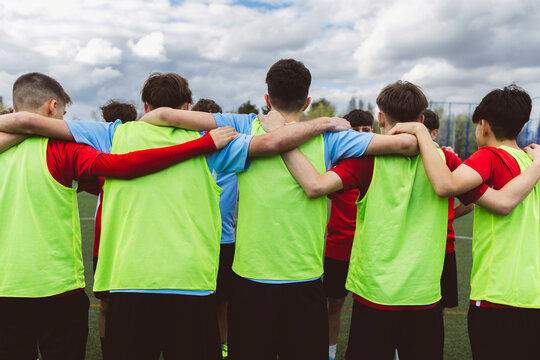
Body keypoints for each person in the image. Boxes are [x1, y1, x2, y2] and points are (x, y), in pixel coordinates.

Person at [0, 71, 351, 359]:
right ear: (187, 107)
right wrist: (325, 124)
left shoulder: (111, 134)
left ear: (144, 106)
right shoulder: (215, 143)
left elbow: (29, 122)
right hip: (190, 284)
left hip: (129, 280)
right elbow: (274, 143)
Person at [139, 60, 419, 360]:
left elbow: (163, 115)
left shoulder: (244, 125)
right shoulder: (332, 137)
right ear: (307, 101)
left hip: (250, 283)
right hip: (305, 282)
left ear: (268, 99)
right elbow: (406, 145)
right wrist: (411, 126)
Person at [279, 81, 540, 359]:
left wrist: (280, 140)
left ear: (380, 118)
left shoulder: (366, 160)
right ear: (422, 119)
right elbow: (483, 201)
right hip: (424, 295)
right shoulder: (446, 161)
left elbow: (314, 186)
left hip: (374, 294)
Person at [0, 72, 238, 359]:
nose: (63, 120)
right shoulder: (61, 149)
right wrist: (200, 145)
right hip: (56, 289)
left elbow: (97, 182)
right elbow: (121, 166)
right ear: (52, 108)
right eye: (63, 113)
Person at [389, 84, 540, 359]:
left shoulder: (490, 156)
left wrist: (422, 134)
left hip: (499, 294)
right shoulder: (531, 163)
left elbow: (445, 185)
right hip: (534, 295)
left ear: (483, 125)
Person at [324, 109, 374, 360]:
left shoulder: (379, 164)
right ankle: (330, 352)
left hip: (371, 251)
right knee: (333, 304)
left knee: (378, 310)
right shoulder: (338, 169)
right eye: (358, 130)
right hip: (339, 248)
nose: (364, 135)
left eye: (368, 130)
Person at [93, 100, 139, 355]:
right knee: (107, 304)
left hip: (130, 241)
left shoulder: (137, 153)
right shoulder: (98, 155)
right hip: (105, 243)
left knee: (126, 304)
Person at [193, 98, 235, 359]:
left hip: (225, 241)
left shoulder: (236, 155)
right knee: (197, 301)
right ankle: (197, 344)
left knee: (223, 301)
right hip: (194, 240)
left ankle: (222, 346)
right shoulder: (190, 154)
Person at [422, 109, 473, 316]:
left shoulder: (447, 159)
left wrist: (448, 216)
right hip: (411, 247)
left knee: (439, 308)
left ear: (433, 134)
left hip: (443, 247)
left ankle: (435, 349)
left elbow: (471, 202)